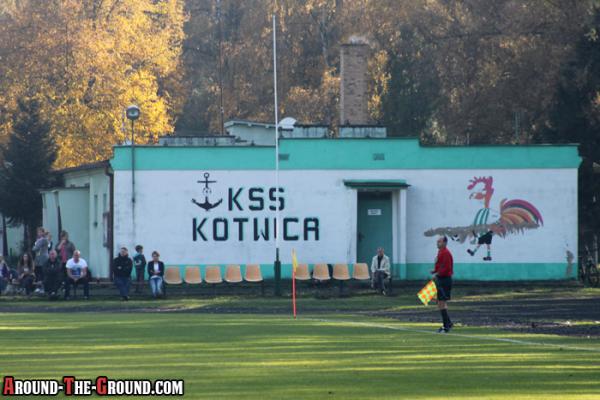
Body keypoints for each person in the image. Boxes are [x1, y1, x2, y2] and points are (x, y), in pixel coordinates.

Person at [430, 236, 454, 333]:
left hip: (445, 280)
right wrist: (435, 271)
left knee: (441, 303)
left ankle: (446, 327)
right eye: (437, 242)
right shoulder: (440, 252)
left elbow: (447, 268)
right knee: (440, 302)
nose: (437, 243)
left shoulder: (446, 253)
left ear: (444, 243)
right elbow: (440, 265)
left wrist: (437, 274)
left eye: (439, 242)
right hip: (441, 279)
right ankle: (448, 323)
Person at [32, 227, 49, 293]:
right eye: (38, 232)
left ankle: (43, 288)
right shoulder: (38, 240)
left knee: (43, 274)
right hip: (38, 259)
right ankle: (38, 287)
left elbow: (35, 248)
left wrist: (34, 247)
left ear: (42, 232)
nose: (38, 233)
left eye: (39, 232)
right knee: (38, 273)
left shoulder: (44, 239)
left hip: (43, 259)